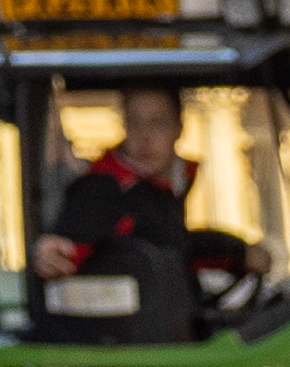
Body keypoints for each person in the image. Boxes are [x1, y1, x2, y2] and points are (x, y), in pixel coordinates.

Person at [31, 79, 237, 292]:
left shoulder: (177, 180)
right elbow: (80, 229)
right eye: (134, 123)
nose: (144, 137)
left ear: (179, 127)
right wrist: (56, 251)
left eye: (157, 123)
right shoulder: (105, 186)